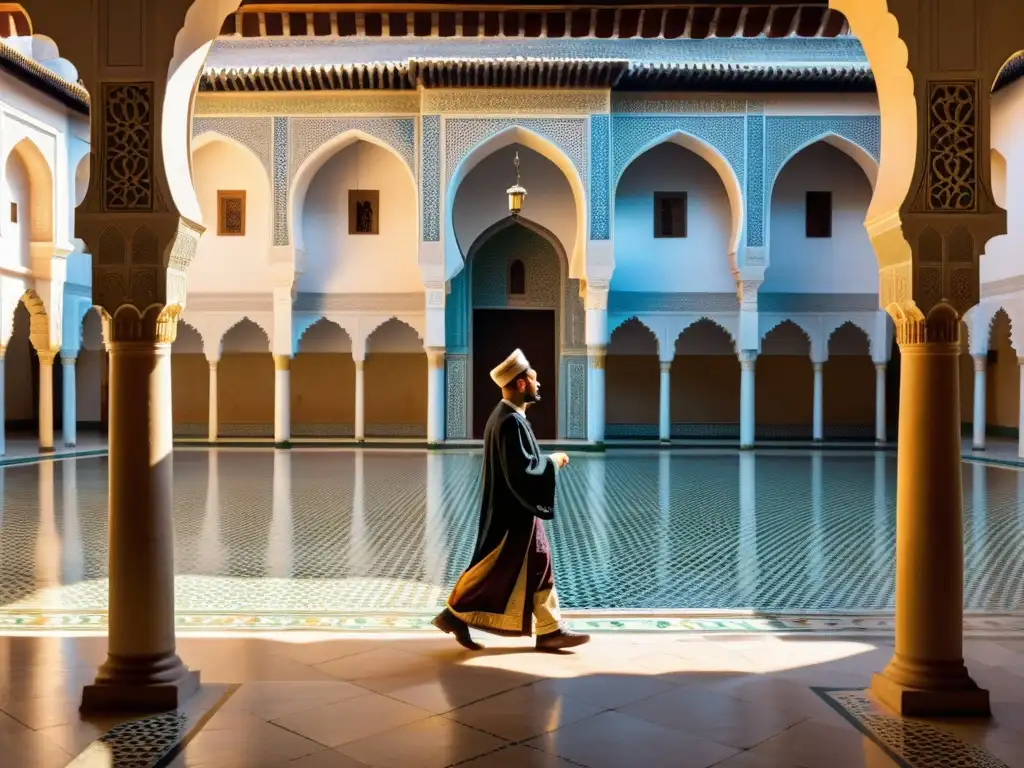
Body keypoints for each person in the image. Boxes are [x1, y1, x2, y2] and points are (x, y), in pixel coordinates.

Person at [432, 349, 590, 652]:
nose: (538, 383)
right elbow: (523, 472)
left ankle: (456, 617)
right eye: (533, 378)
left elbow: (518, 467)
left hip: (511, 510)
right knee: (514, 566)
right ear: (521, 384)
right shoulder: (511, 421)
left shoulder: (504, 416)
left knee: (503, 568)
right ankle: (548, 631)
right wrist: (554, 461)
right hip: (514, 513)